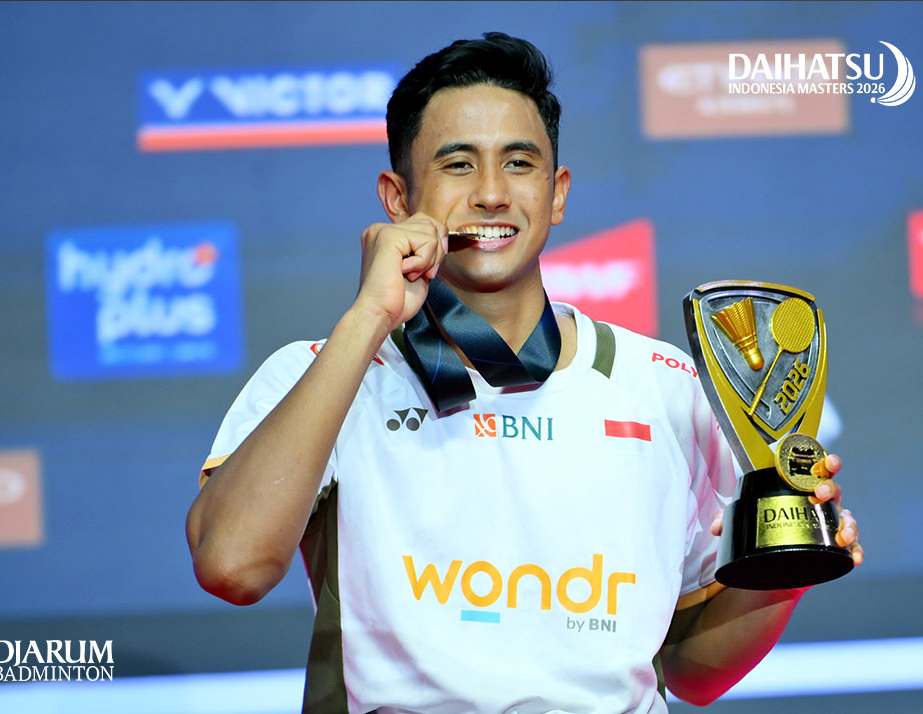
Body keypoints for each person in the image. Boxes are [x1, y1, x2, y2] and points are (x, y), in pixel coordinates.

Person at [186, 32, 864, 713]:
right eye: (457, 165)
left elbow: (691, 672)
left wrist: (789, 564)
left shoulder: (662, 384)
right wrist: (369, 317)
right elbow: (232, 567)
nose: (491, 194)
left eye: (518, 163)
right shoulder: (323, 374)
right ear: (397, 197)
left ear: (556, 192)